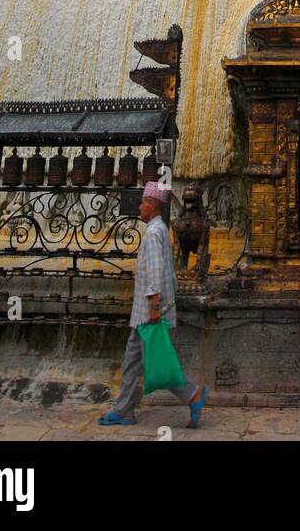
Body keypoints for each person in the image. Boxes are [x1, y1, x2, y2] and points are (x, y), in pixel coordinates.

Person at [98, 181, 209, 428]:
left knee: (157, 364)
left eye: (143, 203)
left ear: (153, 205)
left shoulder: (154, 232)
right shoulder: (158, 229)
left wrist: (155, 306)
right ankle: (125, 409)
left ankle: (193, 394)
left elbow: (156, 272)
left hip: (148, 313)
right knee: (135, 361)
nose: (140, 207)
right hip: (144, 313)